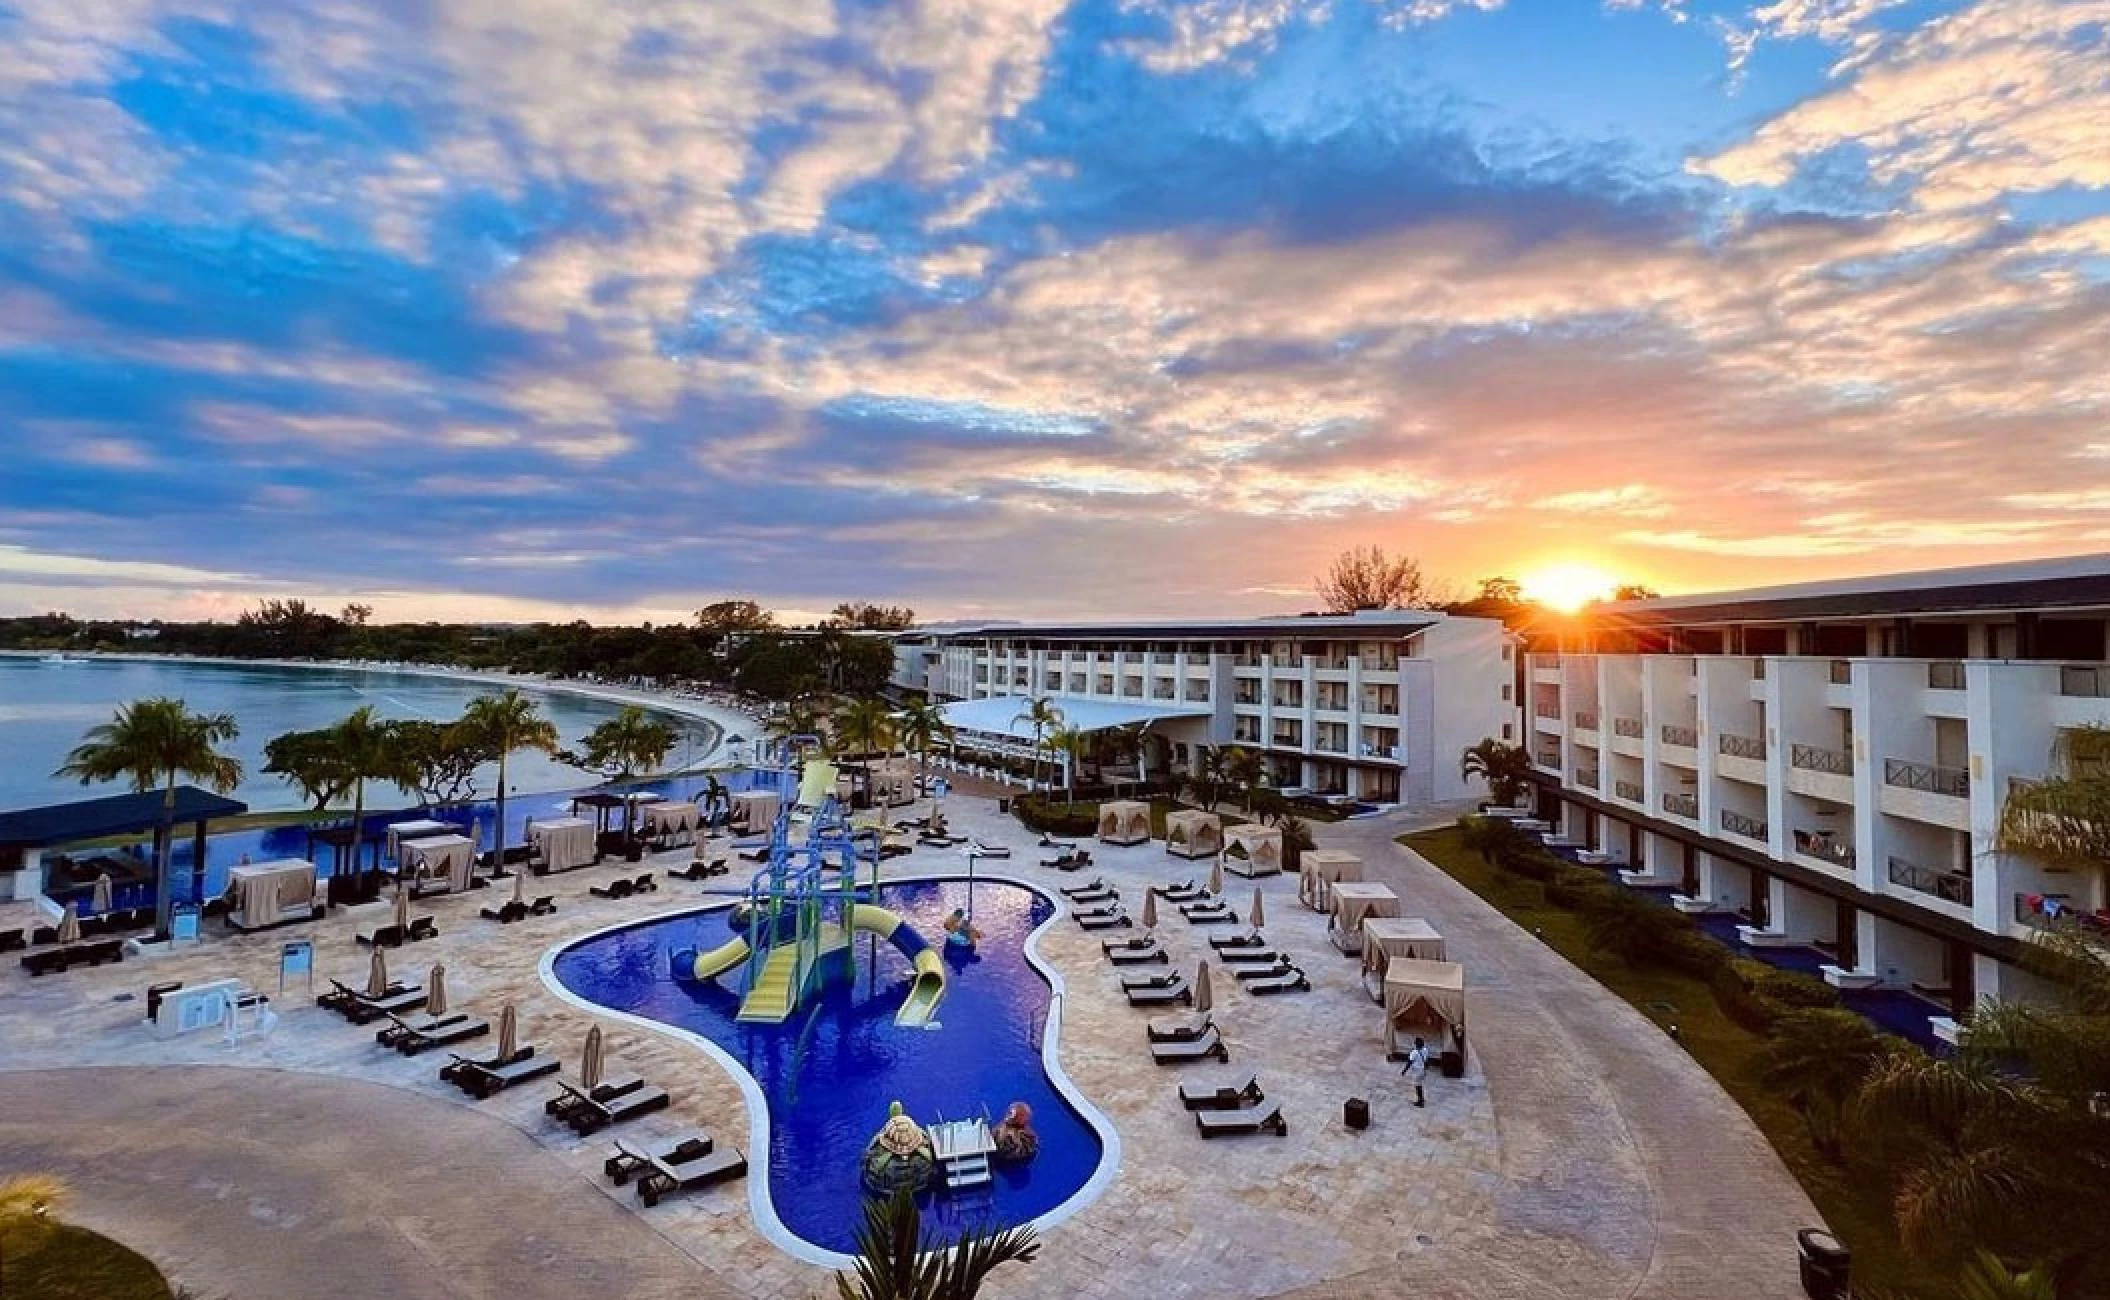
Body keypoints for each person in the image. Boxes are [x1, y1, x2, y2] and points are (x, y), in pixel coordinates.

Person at [1402, 1036, 1430, 1107]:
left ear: (1416, 1044)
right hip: (1423, 1070)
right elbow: (1426, 1060)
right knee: (1420, 1085)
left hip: (1417, 1071)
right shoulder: (1425, 1050)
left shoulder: (1414, 1052)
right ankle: (1422, 1098)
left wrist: (1404, 1071)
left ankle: (1420, 1102)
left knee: (1417, 1086)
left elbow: (1409, 1062)